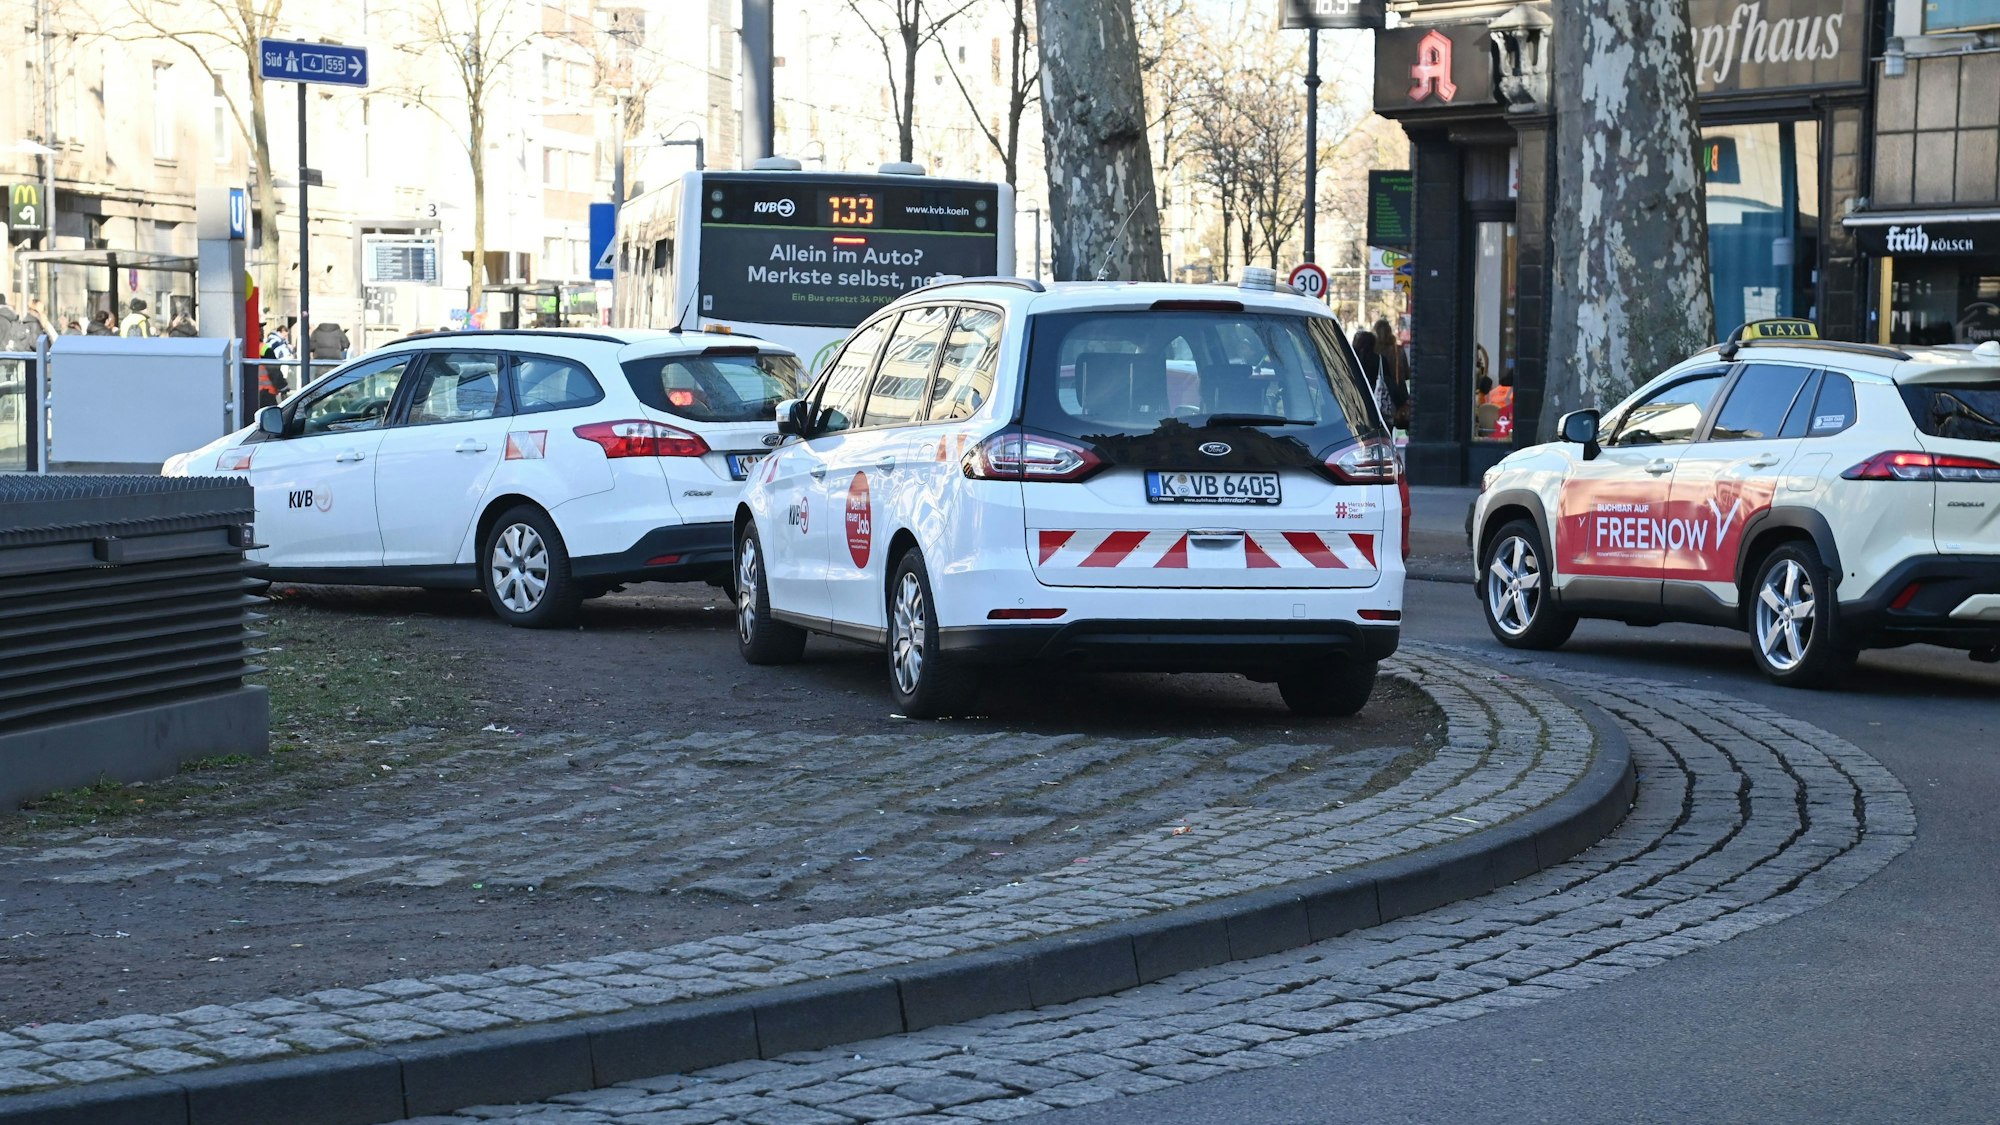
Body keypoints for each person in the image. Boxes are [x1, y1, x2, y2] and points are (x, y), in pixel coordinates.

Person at [1372, 317, 1412, 431]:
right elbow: (1407, 374)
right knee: (1394, 421)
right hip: (1398, 393)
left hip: (1378, 394)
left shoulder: (1374, 351)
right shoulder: (1397, 350)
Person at [1351, 329, 1396, 428]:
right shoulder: (1380, 359)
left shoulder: (1352, 359)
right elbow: (1388, 380)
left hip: (1357, 400)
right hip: (1378, 402)